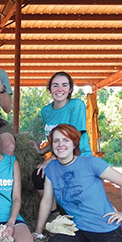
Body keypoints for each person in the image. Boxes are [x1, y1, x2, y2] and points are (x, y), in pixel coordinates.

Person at [32, 72, 93, 212]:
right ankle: (55, 213)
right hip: (59, 158)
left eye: (64, 85)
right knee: (38, 175)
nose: (60, 89)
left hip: (78, 157)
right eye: (55, 85)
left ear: (70, 89)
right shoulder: (46, 111)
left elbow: (74, 138)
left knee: (71, 189)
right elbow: (54, 139)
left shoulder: (76, 105)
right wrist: (42, 151)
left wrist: (50, 160)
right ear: (50, 89)